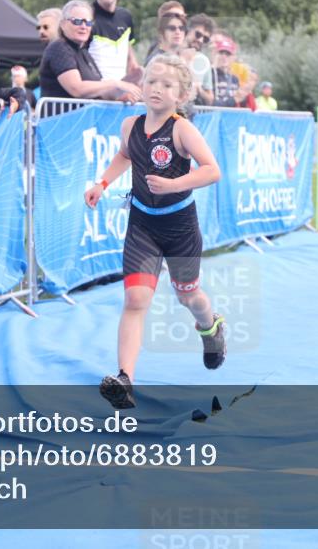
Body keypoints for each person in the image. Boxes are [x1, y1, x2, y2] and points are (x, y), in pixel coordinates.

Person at [84, 54, 226, 409]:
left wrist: (175, 183)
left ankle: (211, 329)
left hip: (180, 227)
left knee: (188, 297)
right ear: (142, 85)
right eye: (151, 81)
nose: (156, 89)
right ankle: (125, 379)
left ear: (181, 95)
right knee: (135, 299)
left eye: (167, 84)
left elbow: (212, 171)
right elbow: (124, 155)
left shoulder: (182, 129)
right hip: (142, 224)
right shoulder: (130, 125)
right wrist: (102, 183)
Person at [38, 0, 142, 103]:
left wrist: (123, 96)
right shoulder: (59, 47)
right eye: (77, 21)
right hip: (60, 118)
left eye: (88, 22)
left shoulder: (84, 52)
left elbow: (100, 92)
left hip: (84, 117)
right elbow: (77, 89)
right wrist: (115, 83)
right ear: (63, 24)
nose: (83, 27)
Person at [89, 0, 143, 83]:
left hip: (120, 95)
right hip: (93, 95)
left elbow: (131, 62)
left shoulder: (126, 16)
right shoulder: (85, 17)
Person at [182, 14, 216, 106]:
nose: (200, 40)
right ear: (187, 30)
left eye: (205, 39)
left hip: (189, 113)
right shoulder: (170, 53)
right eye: (198, 34)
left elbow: (210, 99)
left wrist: (199, 89)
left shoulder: (204, 61)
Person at [210, 36, 250, 108]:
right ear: (216, 54)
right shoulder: (211, 75)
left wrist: (244, 96)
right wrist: (234, 100)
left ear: (233, 57)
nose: (224, 56)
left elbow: (241, 103)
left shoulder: (235, 79)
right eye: (221, 53)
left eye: (228, 54)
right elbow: (210, 102)